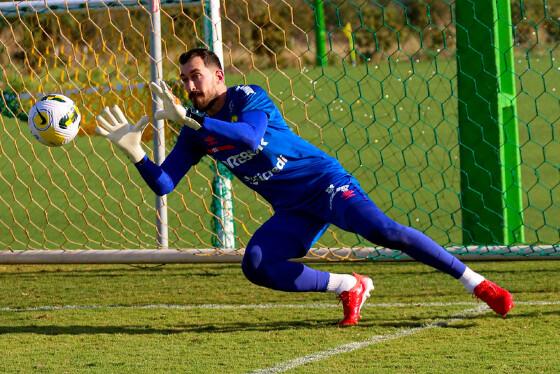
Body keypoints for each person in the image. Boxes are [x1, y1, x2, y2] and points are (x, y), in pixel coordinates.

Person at [95, 48, 514, 326]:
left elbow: (249, 138)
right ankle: (350, 286)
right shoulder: (195, 131)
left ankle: (476, 283)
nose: (189, 86)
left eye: (196, 76)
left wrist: (195, 119)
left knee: (384, 232)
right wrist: (136, 153)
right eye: (184, 79)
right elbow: (164, 185)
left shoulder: (246, 96)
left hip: (325, 184)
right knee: (256, 264)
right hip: (293, 209)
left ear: (218, 75)